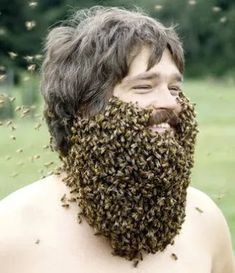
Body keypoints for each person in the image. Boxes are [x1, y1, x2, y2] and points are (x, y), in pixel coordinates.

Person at [0, 6, 234, 273]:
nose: (172, 103)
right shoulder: (10, 233)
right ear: (84, 106)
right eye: (144, 86)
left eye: (175, 88)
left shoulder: (204, 220)